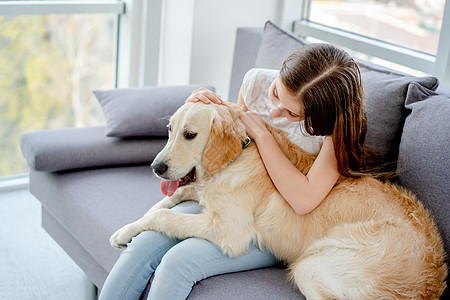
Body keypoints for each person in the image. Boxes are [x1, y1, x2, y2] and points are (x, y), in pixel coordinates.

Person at [99, 43, 369, 300]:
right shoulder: (256, 82)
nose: (274, 112)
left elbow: (303, 200)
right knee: (142, 245)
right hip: (227, 194)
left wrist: (263, 136)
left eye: (292, 113)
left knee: (175, 263)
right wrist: (197, 110)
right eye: (276, 93)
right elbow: (228, 155)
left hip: (267, 225)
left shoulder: (336, 131)